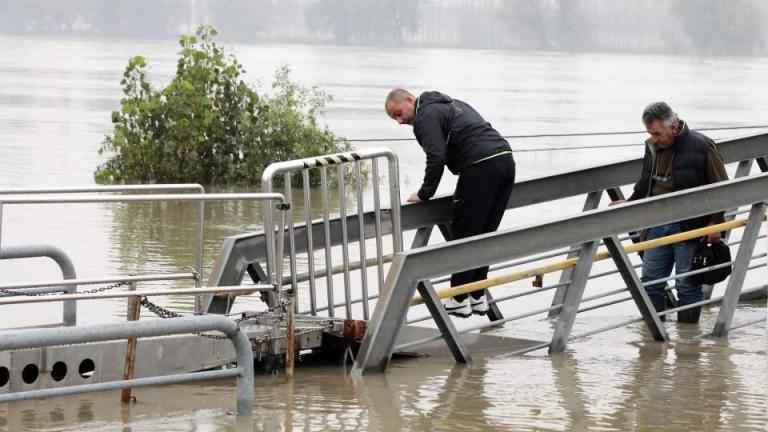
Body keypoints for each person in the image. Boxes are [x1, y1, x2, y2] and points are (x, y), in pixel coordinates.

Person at [384, 89, 516, 318]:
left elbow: (436, 157)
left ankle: (458, 298)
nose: (399, 120)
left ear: (408, 99)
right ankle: (477, 296)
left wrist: (424, 193)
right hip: (505, 160)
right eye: (394, 118)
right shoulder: (452, 104)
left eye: (398, 113)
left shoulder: (425, 116)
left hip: (479, 166)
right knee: (484, 235)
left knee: (464, 235)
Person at [611, 102, 728, 323]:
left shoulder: (702, 146)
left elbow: (722, 187)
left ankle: (688, 340)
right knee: (650, 281)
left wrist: (716, 223)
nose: (654, 138)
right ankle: (655, 338)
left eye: (657, 133)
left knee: (687, 283)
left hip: (690, 226)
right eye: (650, 134)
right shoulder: (653, 146)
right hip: (657, 224)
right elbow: (646, 180)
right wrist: (629, 202)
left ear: (673, 127)